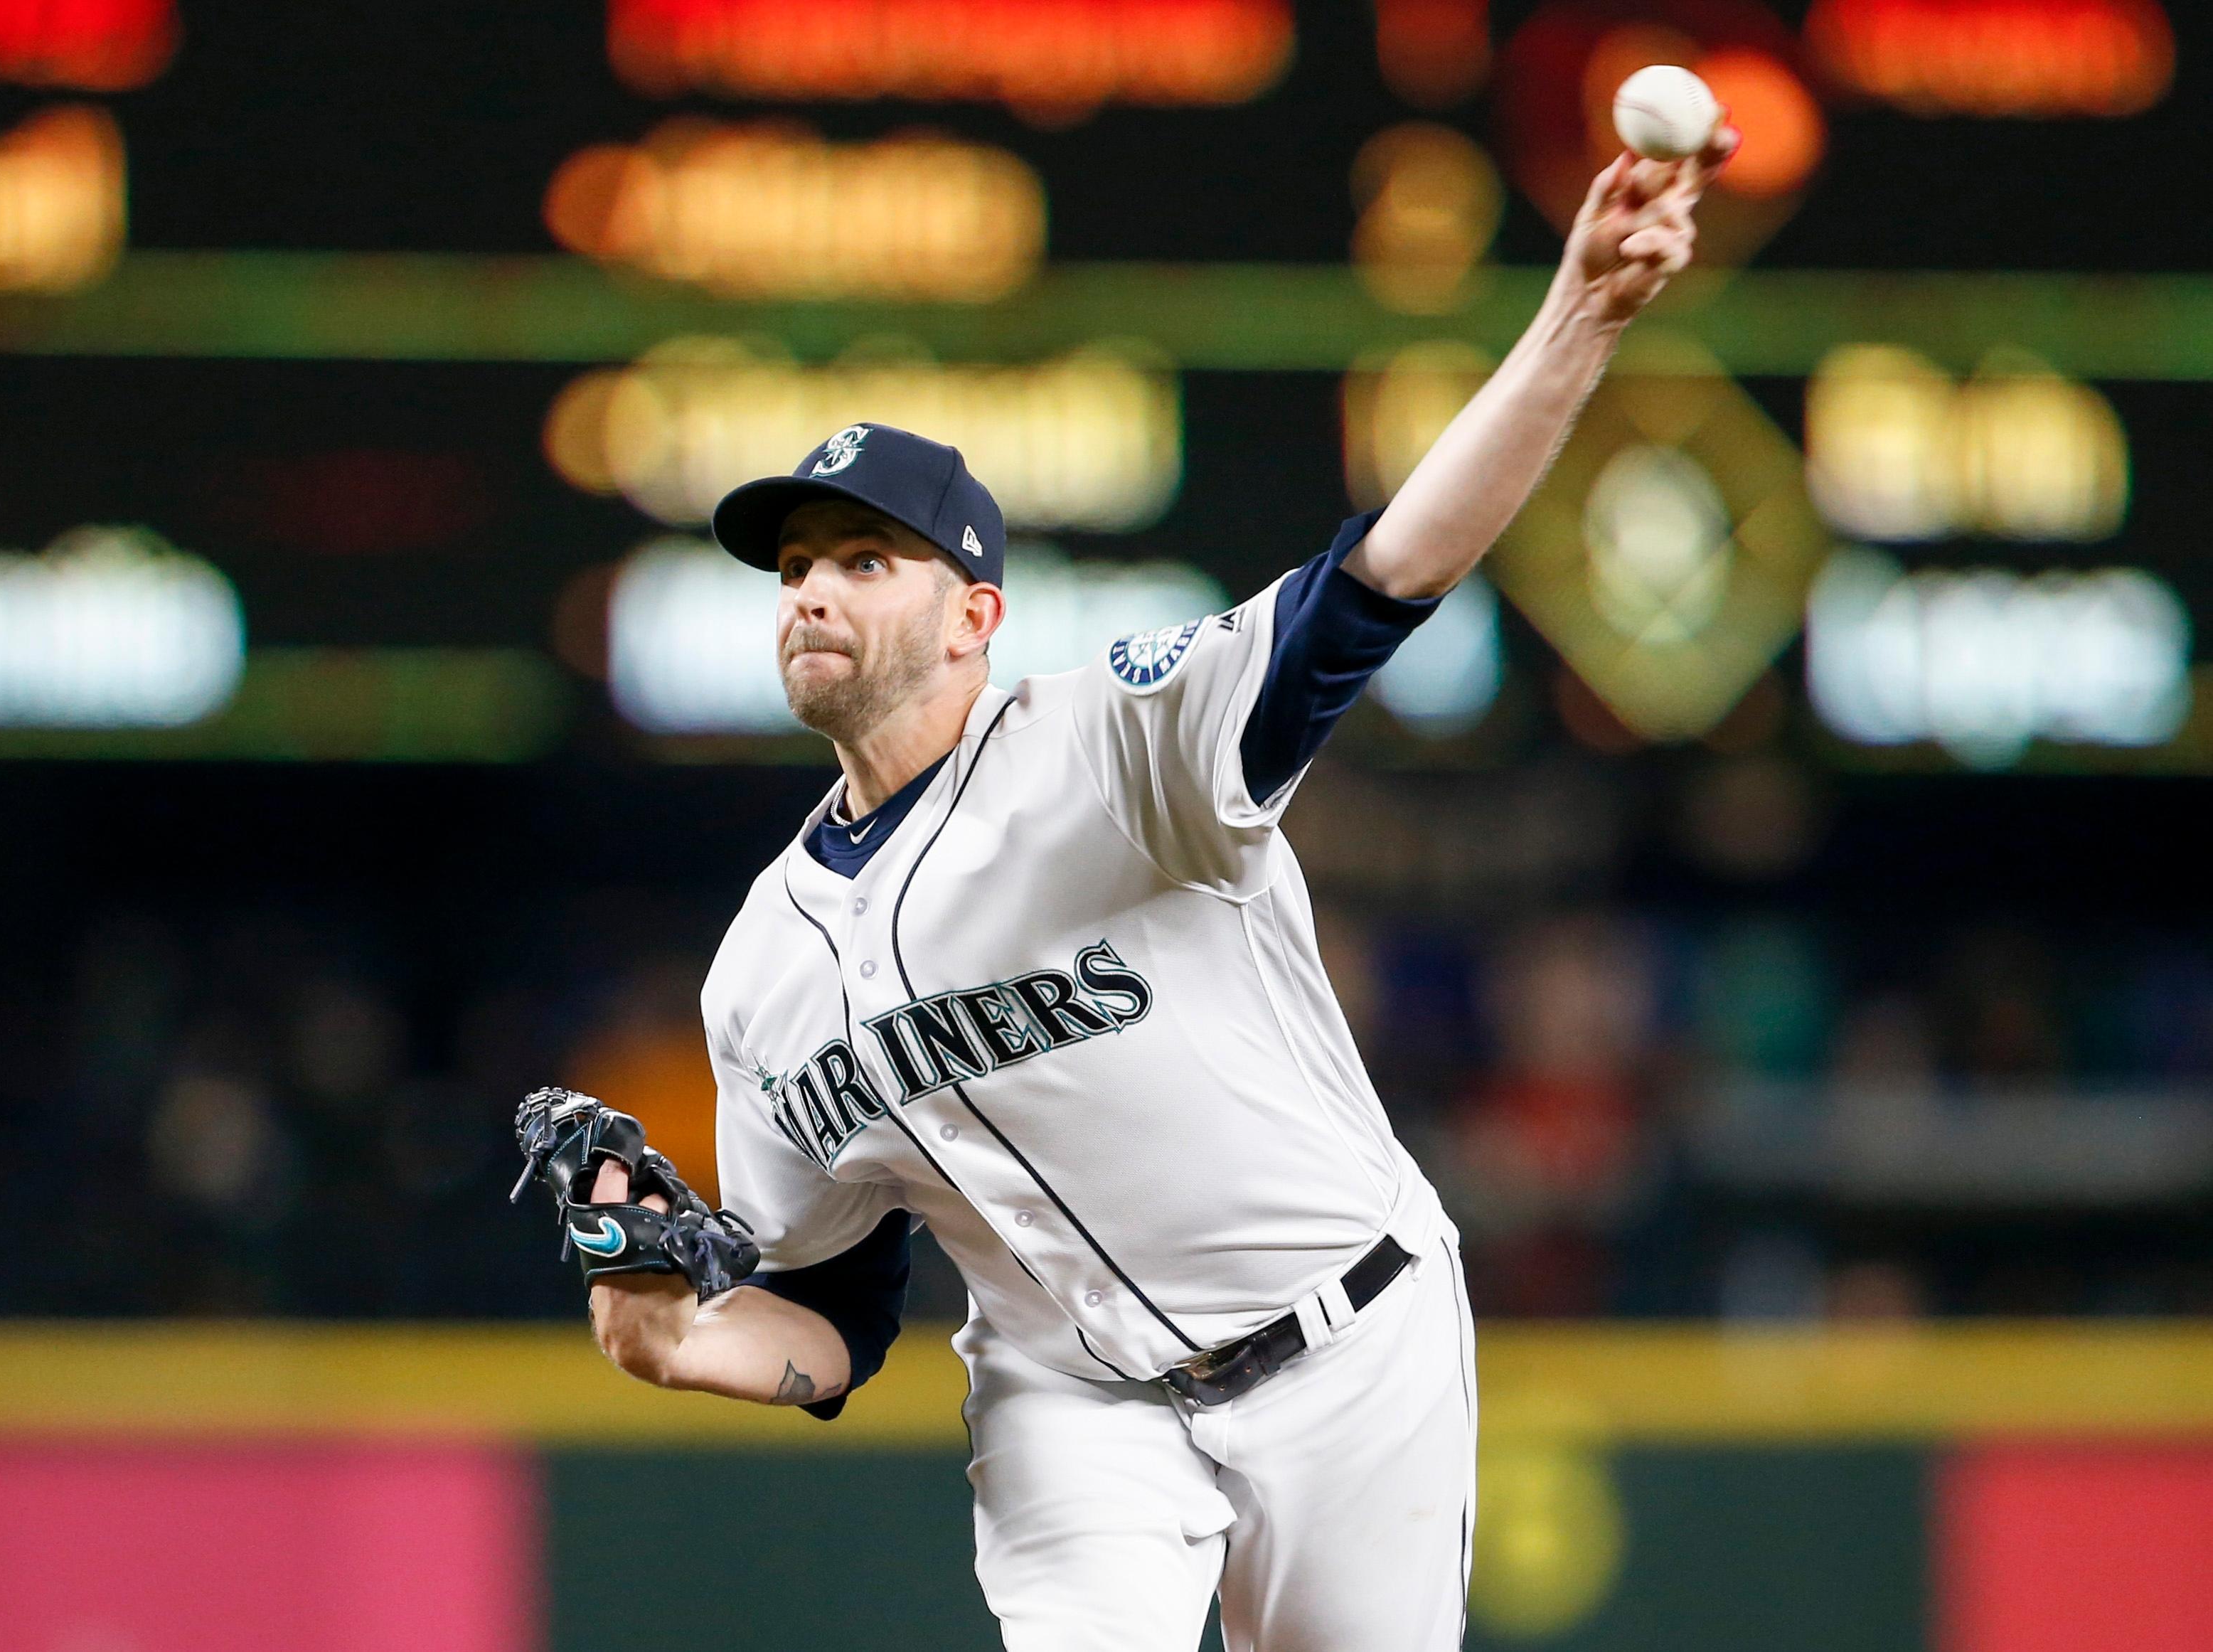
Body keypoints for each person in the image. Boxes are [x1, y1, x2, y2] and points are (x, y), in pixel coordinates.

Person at [543, 134, 1734, 1651]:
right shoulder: (758, 976)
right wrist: (665, 1333)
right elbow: (834, 1328)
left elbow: (1384, 578)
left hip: (1351, 1336)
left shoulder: (1113, 746)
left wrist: (1579, 317)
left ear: (975, 613)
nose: (814, 591)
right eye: (791, 571)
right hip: (1071, 1400)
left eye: (862, 558)